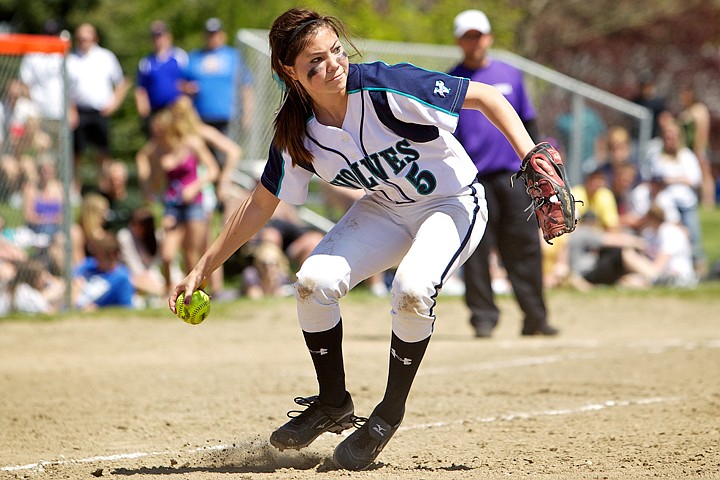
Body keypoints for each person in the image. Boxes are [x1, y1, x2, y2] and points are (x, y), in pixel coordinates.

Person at [169, 7, 556, 471]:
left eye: (336, 50)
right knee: (312, 281)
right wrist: (203, 267)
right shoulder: (298, 131)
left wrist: (529, 154)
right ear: (289, 72)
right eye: (316, 60)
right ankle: (333, 403)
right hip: (386, 208)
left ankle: (388, 413)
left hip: (452, 201)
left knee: (412, 290)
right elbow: (261, 202)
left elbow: (487, 96)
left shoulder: (385, 86)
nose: (333, 63)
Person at [448, 9, 557, 338]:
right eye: (467, 36)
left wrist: (540, 166)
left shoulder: (511, 74)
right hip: (472, 180)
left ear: (489, 38)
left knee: (524, 248)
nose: (474, 42)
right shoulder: (451, 81)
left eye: (478, 35)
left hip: (513, 178)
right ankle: (483, 318)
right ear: (459, 41)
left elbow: (529, 122)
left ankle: (535, 317)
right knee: (476, 251)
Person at [135, 108, 219, 293]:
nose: (157, 135)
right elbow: (154, 179)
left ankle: (196, 293)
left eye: (161, 131)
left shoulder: (192, 143)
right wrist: (151, 185)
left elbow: (213, 170)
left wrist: (195, 186)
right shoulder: (158, 150)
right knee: (167, 254)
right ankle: (167, 290)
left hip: (194, 203)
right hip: (172, 205)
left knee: (192, 253)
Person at [67, 23, 130, 190]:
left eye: (86, 38)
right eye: (80, 38)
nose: (83, 41)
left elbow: (122, 82)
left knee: (103, 152)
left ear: (94, 38)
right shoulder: (71, 59)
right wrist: (70, 109)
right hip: (79, 111)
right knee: (77, 153)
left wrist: (114, 103)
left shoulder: (105, 57)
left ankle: (104, 188)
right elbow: (66, 88)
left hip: (100, 111)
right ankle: (75, 190)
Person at [181, 17, 253, 136]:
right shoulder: (194, 57)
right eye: (209, 34)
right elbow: (181, 84)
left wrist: (247, 114)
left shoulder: (233, 56)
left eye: (215, 34)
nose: (212, 38)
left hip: (228, 117)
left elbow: (246, 86)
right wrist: (187, 88)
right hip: (198, 118)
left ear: (222, 35)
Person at [134, 20, 188, 136]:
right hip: (157, 110)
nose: (158, 39)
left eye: (160, 35)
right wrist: (143, 111)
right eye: (155, 36)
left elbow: (188, 80)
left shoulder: (179, 56)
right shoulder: (146, 62)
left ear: (168, 36)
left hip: (177, 109)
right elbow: (141, 88)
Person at [72, 233, 135, 310]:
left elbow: (126, 309)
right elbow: (72, 281)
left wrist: (98, 309)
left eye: (99, 254)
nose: (95, 258)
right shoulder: (88, 265)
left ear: (113, 255)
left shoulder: (121, 278)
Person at [678, 84, 714, 209]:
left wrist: (699, 148)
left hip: (699, 147)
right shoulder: (685, 110)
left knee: (705, 175)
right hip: (687, 149)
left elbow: (702, 130)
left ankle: (708, 203)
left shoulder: (699, 109)